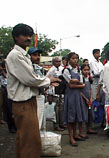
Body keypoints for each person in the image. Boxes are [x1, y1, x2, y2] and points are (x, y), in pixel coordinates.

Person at [5, 23, 60, 158]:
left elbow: (32, 78)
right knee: (30, 142)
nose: (28, 38)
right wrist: (49, 81)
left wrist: (46, 81)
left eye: (30, 35)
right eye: (25, 35)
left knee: (25, 140)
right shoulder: (15, 55)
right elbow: (30, 79)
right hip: (22, 103)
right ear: (16, 37)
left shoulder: (23, 55)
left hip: (29, 101)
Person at [63, 52, 86, 147]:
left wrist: (76, 82)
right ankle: (71, 137)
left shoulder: (78, 70)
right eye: (73, 58)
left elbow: (82, 83)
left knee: (77, 115)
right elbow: (71, 85)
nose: (75, 60)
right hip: (70, 96)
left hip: (77, 96)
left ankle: (76, 134)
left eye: (76, 58)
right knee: (70, 116)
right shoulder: (66, 71)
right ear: (69, 60)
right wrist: (78, 83)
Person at [28, 47, 45, 130]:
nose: (37, 57)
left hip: (39, 95)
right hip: (33, 96)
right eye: (35, 55)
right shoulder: (28, 67)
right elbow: (37, 82)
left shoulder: (37, 67)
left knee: (40, 122)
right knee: (36, 123)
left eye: (38, 55)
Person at [46, 57, 65, 131]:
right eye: (56, 61)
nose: (58, 63)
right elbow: (48, 82)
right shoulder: (51, 70)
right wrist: (49, 94)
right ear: (53, 62)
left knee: (61, 108)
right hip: (53, 92)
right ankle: (56, 125)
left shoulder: (60, 69)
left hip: (59, 91)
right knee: (55, 110)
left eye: (59, 61)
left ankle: (61, 123)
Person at [80, 64, 97, 135]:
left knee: (90, 114)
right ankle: (81, 131)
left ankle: (88, 128)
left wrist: (90, 98)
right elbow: (79, 91)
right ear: (81, 70)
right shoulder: (81, 78)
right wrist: (85, 99)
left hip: (89, 99)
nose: (86, 71)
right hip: (82, 99)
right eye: (85, 70)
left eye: (87, 70)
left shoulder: (89, 78)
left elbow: (90, 89)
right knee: (82, 115)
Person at [0, 61, 16, 133]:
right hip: (6, 92)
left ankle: (15, 125)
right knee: (8, 110)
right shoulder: (2, 76)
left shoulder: (13, 73)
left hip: (14, 92)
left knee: (14, 109)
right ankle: (11, 126)